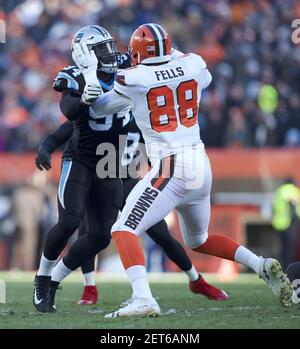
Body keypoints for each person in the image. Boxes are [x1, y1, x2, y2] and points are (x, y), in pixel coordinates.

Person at [81, 23, 292, 317]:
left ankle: (143, 298)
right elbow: (197, 76)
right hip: (200, 163)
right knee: (199, 240)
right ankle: (260, 265)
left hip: (172, 165)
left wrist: (90, 79)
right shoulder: (192, 63)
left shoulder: (135, 77)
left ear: (139, 53)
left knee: (123, 229)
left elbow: (102, 108)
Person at [36, 118, 229, 307]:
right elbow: (71, 125)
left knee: (161, 234)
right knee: (90, 231)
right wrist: (48, 145)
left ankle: (196, 280)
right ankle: (89, 286)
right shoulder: (107, 107)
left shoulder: (141, 115)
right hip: (103, 175)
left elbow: (159, 150)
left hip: (127, 179)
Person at [33, 25, 131, 313]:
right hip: (81, 158)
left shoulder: (125, 65)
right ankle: (41, 277)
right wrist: (84, 99)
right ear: (85, 53)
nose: (110, 53)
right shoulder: (73, 76)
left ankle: (54, 281)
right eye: (101, 48)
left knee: (101, 235)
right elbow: (70, 111)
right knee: (70, 222)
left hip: (112, 158)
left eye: (109, 46)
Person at [272, 178, 300, 268]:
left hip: (278, 224)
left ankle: (282, 267)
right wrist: (294, 220)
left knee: (283, 248)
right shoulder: (291, 190)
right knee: (290, 249)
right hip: (289, 224)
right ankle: (288, 268)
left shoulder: (279, 191)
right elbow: (293, 204)